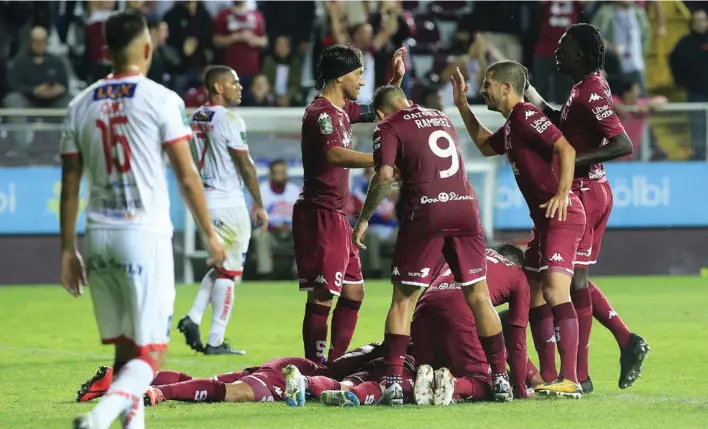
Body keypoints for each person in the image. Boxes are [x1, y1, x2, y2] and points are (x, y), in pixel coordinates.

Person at [59, 9, 226, 429]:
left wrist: (66, 250)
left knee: (125, 352)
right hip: (143, 235)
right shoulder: (161, 99)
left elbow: (69, 182)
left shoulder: (80, 104)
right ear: (148, 48)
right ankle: (97, 420)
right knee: (152, 355)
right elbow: (187, 175)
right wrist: (210, 233)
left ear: (105, 49)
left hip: (98, 236)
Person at [352, 84, 512, 405]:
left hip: (426, 210)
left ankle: (394, 383)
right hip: (466, 207)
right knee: (479, 297)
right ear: (408, 102)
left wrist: (364, 219)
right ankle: (501, 379)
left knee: (403, 301)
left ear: (381, 113)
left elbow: (384, 176)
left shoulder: (387, 126)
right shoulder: (439, 116)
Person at [525, 23, 649, 391]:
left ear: (580, 53)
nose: (557, 52)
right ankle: (615, 350)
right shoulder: (582, 88)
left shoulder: (591, 90)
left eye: (563, 47)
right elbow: (563, 125)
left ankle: (581, 374)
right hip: (587, 189)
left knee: (569, 280)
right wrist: (529, 94)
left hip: (585, 192)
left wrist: (571, 161)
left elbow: (622, 143)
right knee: (574, 280)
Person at [452, 60, 584, 398]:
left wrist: (563, 192)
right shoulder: (513, 125)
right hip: (543, 221)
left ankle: (571, 379)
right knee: (536, 295)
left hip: (562, 214)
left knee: (555, 292)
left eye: (489, 84)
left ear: (508, 88)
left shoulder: (525, 114)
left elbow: (565, 147)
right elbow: (483, 145)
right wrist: (462, 106)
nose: (484, 90)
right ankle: (553, 378)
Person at [294, 45, 406, 364]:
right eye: (358, 74)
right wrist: (381, 160)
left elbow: (379, 110)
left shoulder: (343, 110)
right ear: (341, 76)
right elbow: (333, 155)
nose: (361, 81)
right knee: (323, 294)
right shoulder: (321, 114)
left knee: (354, 292)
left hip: (339, 215)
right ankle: (314, 366)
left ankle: (335, 362)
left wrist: (395, 80)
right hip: (319, 214)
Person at [177, 65, 269, 356]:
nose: (240, 87)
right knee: (229, 272)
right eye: (235, 82)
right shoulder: (230, 119)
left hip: (205, 199)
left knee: (221, 266)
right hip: (228, 201)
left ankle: (192, 318)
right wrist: (259, 202)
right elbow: (245, 164)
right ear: (219, 88)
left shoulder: (196, 116)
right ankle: (216, 340)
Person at [411, 246, 531, 404]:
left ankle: (419, 384)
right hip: (461, 314)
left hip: (421, 314)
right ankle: (454, 384)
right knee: (489, 382)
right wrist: (520, 389)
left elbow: (429, 292)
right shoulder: (518, 274)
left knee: (428, 374)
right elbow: (517, 338)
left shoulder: (466, 256)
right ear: (519, 265)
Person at [252, 159, 301, 279]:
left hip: (292, 232)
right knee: (259, 234)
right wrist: (273, 225)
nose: (282, 175)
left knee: (308, 234)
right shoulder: (261, 191)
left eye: (284, 172)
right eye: (278, 172)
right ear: (271, 174)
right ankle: (266, 275)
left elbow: (304, 215)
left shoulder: (295, 190)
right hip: (271, 232)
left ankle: (299, 274)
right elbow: (256, 217)